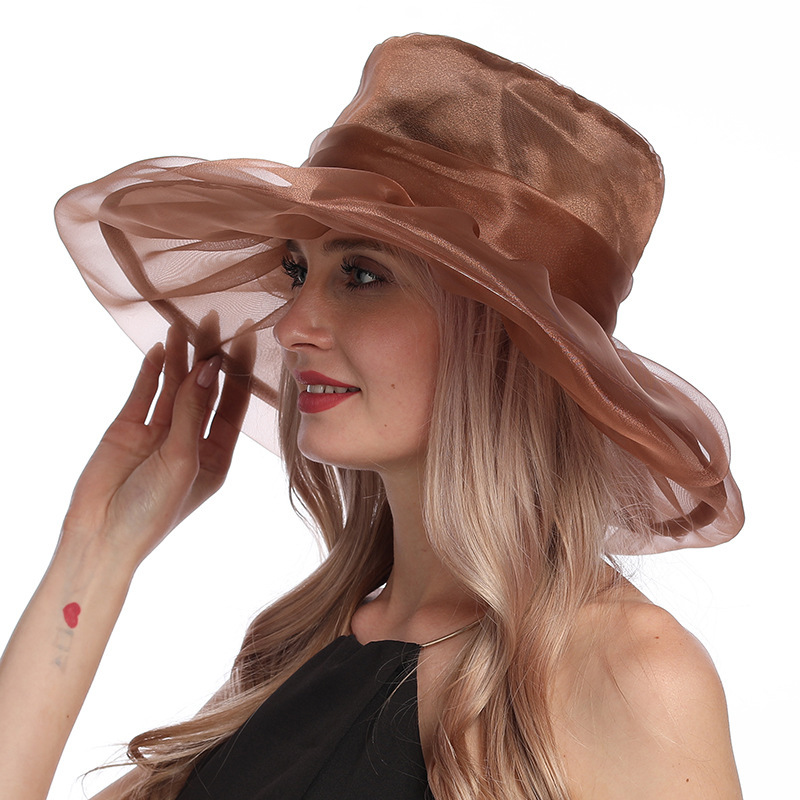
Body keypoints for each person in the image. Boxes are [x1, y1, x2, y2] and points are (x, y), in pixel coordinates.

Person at [0, 33, 744, 800]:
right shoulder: (299, 651)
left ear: (505, 338)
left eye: (361, 274)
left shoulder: (630, 673)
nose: (292, 325)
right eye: (297, 270)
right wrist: (98, 547)